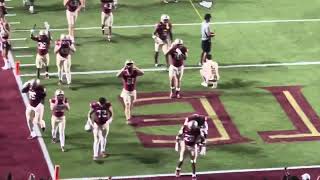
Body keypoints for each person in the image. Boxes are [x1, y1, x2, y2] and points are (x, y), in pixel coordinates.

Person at [117, 60, 144, 124]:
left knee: (131, 105)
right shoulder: (124, 72)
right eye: (128, 64)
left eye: (130, 64)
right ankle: (128, 119)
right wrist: (124, 68)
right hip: (126, 92)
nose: (129, 65)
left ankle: (127, 113)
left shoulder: (135, 72)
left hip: (133, 91)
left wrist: (135, 67)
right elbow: (117, 75)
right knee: (127, 105)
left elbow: (142, 73)